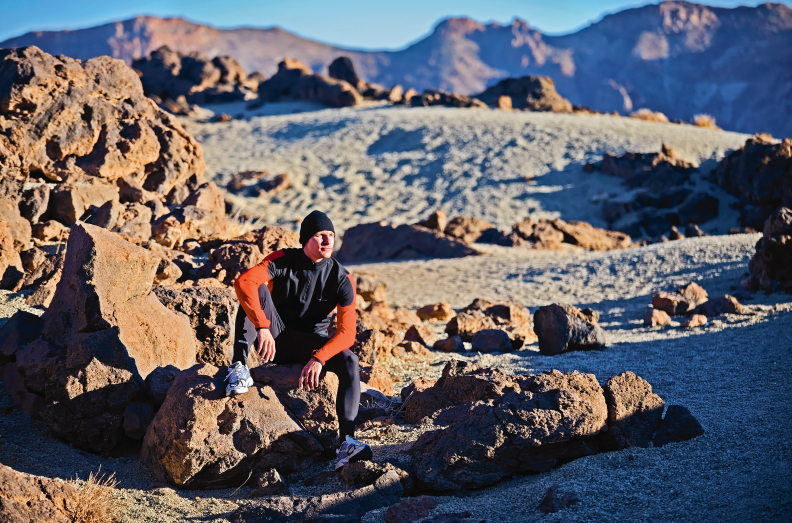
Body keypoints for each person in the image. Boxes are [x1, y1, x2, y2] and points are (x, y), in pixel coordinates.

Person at [229, 210, 372, 470]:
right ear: (306, 239)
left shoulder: (342, 277)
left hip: (312, 345)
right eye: (320, 236)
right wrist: (262, 325)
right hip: (275, 337)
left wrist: (319, 357)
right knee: (256, 289)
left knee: (350, 360)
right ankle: (238, 367)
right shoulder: (282, 259)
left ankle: (347, 442)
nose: (328, 241)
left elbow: (347, 333)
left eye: (331, 235)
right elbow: (244, 282)